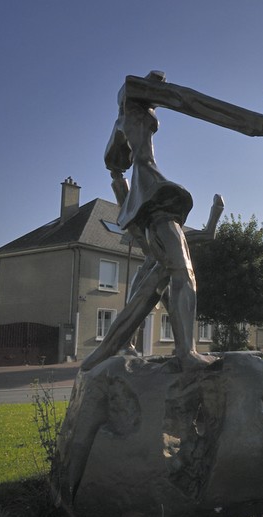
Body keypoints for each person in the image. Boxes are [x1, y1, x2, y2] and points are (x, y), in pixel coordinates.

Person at [80, 71, 213, 372]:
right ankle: (186, 353)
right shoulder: (136, 108)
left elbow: (112, 163)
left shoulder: (123, 120)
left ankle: (111, 346)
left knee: (153, 281)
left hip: (145, 198)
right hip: (153, 194)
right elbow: (186, 100)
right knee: (183, 271)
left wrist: (122, 190)